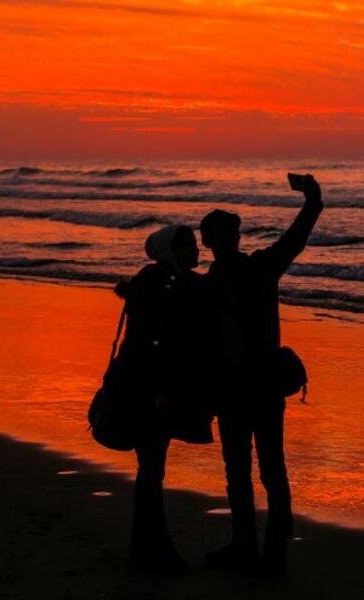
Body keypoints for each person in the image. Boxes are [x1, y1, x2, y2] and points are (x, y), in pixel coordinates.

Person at [200, 174, 323, 574]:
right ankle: (266, 551)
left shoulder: (219, 281)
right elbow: (295, 240)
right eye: (228, 234)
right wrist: (313, 200)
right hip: (253, 389)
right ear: (228, 238)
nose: (229, 240)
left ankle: (252, 547)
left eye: (227, 234)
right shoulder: (255, 270)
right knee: (266, 469)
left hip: (241, 390)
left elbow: (295, 239)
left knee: (246, 470)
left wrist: (314, 201)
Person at [108, 224, 215, 575]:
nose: (196, 252)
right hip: (150, 391)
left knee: (150, 470)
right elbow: (155, 344)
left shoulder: (150, 280)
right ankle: (153, 551)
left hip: (135, 385)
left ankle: (145, 548)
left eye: (196, 245)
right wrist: (160, 392)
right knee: (152, 470)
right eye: (187, 247)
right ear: (170, 251)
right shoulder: (168, 286)